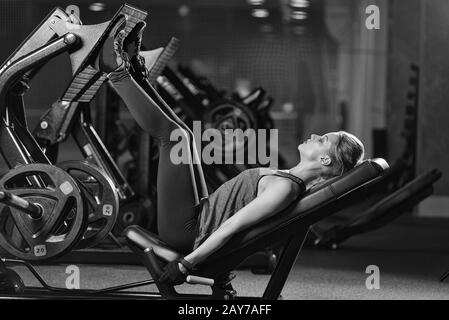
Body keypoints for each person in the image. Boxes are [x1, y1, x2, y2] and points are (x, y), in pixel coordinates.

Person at [94, 20, 365, 285]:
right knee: (184, 136)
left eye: (323, 140)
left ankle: (115, 69)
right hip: (200, 213)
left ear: (325, 159)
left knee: (172, 137)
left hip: (188, 231)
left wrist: (186, 263)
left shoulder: (285, 189)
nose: (315, 136)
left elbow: (232, 228)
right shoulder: (288, 181)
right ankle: (136, 72)